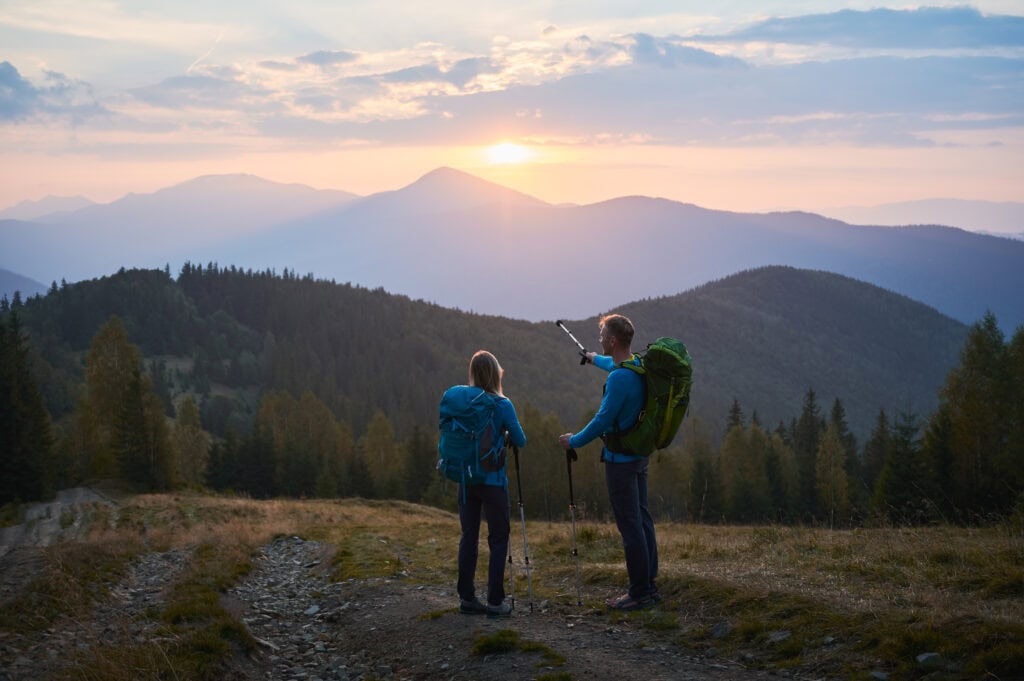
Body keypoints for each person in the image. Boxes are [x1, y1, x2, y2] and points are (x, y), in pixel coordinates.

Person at [558, 314, 659, 611]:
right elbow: (613, 364)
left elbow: (603, 420)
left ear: (613, 340)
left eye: (602, 335)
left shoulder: (618, 379)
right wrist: (592, 358)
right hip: (639, 455)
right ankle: (649, 585)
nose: (599, 339)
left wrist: (573, 440)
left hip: (620, 461)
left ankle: (639, 592)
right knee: (642, 519)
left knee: (630, 527)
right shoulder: (637, 365)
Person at [456, 350, 527, 617]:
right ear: (496, 373)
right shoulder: (502, 404)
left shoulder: (462, 402)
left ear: (472, 373)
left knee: (469, 537)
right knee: (498, 538)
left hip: (465, 478)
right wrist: (505, 433)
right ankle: (495, 601)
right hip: (493, 481)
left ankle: (467, 597)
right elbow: (520, 440)